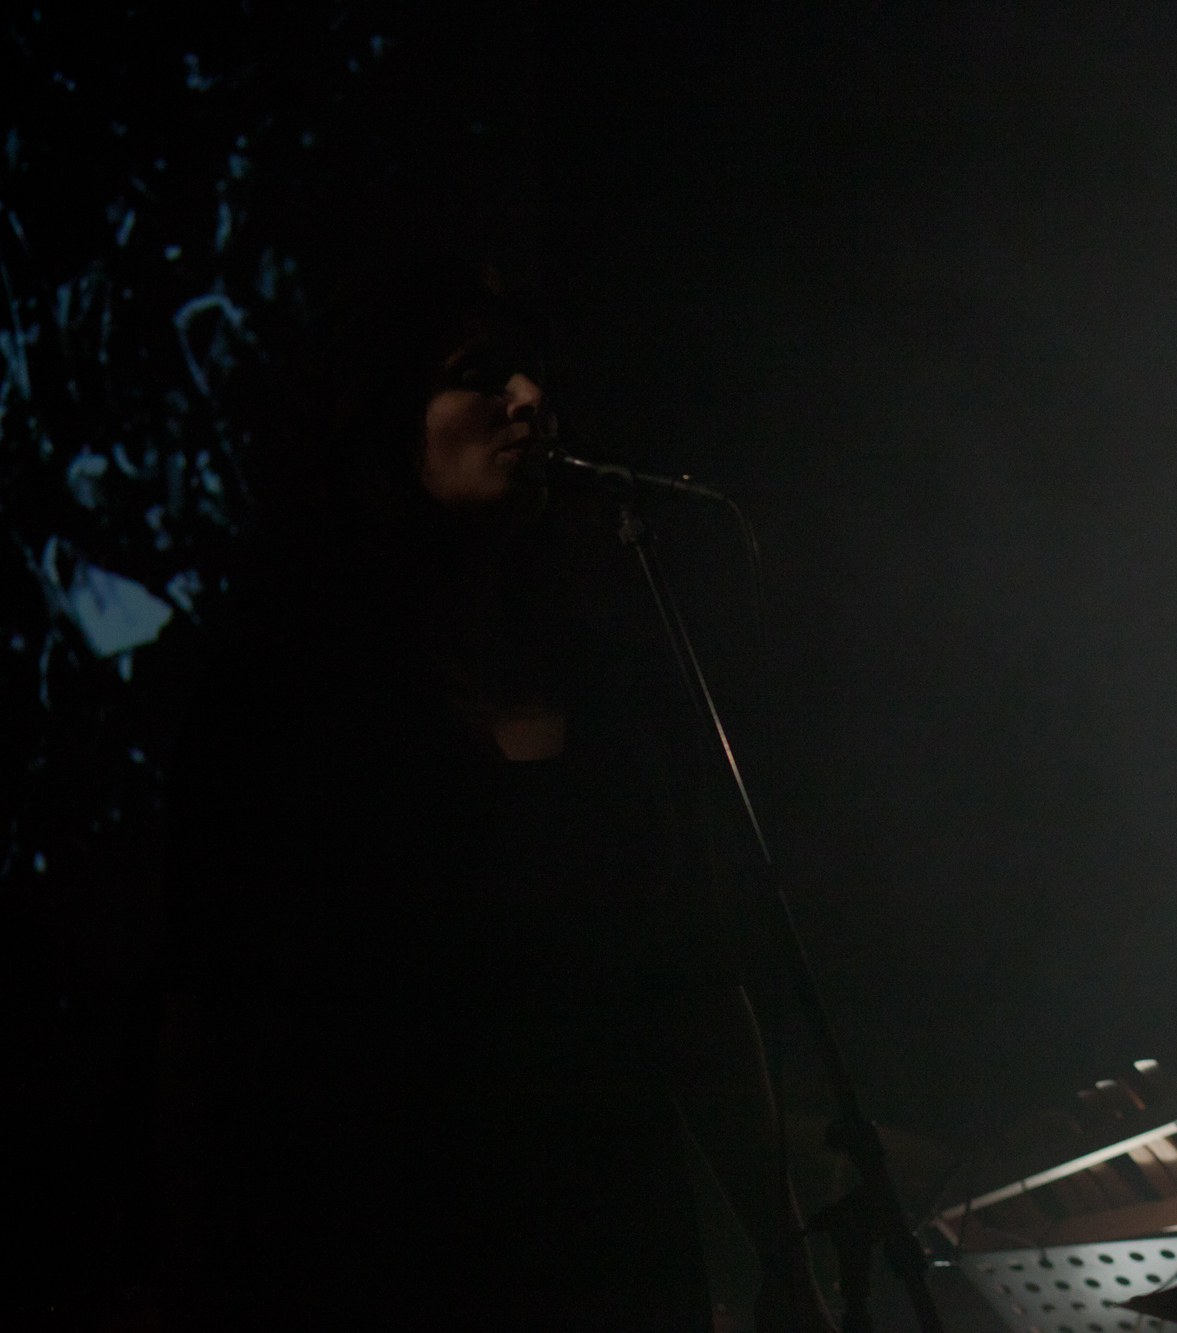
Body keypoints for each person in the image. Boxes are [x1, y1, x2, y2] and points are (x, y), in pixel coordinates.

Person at [158, 259, 830, 1331]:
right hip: (393, 1255)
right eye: (475, 375)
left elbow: (694, 983)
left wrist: (781, 1248)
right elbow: (220, 1029)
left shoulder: (606, 674)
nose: (524, 399)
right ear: (382, 422)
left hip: (616, 1246)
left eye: (530, 373)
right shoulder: (281, 698)